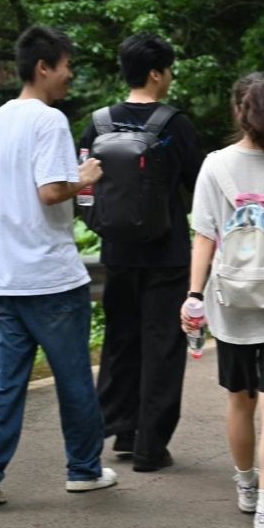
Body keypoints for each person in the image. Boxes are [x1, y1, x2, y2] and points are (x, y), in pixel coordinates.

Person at [0, 25, 116, 506]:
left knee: (3, 382)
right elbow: (51, 191)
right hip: (50, 278)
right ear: (43, 67)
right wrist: (84, 176)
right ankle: (84, 470)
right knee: (74, 379)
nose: (71, 74)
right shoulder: (48, 121)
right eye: (67, 65)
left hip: (2, 277)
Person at [182, 72, 264, 528]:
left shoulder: (214, 165)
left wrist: (194, 296)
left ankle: (247, 485)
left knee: (239, 399)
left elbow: (204, 237)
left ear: (238, 110)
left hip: (229, 299)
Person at [79, 33, 204, 472]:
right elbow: (200, 183)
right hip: (167, 254)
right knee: (162, 348)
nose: (170, 77)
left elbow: (83, 185)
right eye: (167, 69)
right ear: (155, 73)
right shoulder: (174, 125)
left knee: (121, 342)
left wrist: (101, 224)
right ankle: (150, 447)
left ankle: (122, 430)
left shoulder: (98, 124)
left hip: (117, 253)